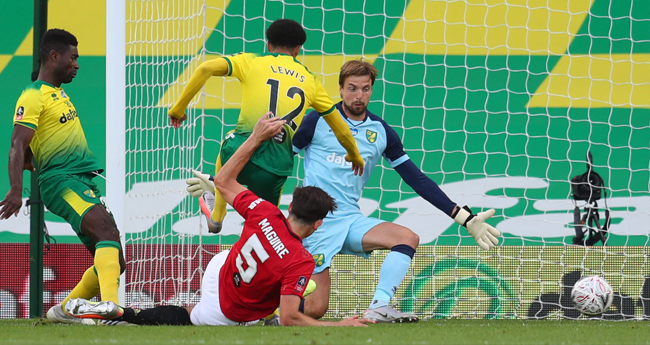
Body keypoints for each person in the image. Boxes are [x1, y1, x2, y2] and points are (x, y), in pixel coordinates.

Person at [65, 113, 374, 327]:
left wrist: (255, 137)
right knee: (189, 317)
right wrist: (341, 323)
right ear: (318, 224)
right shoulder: (301, 261)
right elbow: (292, 317)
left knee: (251, 265)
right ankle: (123, 313)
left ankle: (214, 213)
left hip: (220, 267)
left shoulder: (266, 210)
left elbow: (225, 178)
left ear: (290, 204)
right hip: (228, 307)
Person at [291, 59, 502, 322]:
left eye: (365, 89)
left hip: (350, 219)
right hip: (315, 222)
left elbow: (417, 179)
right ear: (341, 89)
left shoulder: (381, 131)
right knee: (314, 309)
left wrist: (463, 217)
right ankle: (263, 311)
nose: (359, 96)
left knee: (407, 238)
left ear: (372, 89)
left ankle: (379, 306)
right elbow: (282, 159)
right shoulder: (317, 121)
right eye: (352, 88)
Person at [170, 19, 364, 235]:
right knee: (265, 226)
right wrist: (354, 155)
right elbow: (341, 129)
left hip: (239, 153)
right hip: (275, 167)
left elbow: (206, 67)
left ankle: (217, 213)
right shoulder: (310, 81)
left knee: (230, 139)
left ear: (268, 44)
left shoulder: (252, 61)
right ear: (298, 50)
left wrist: (178, 110)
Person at [0, 29, 125, 324]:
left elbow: (31, 147)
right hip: (61, 181)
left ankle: (63, 311)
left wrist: (31, 161)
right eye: (73, 57)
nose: (77, 64)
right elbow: (18, 143)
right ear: (54, 56)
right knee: (106, 231)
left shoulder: (58, 94)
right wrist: (16, 189)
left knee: (114, 258)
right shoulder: (33, 95)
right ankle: (113, 312)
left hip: (80, 181)